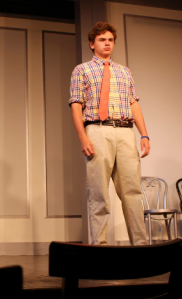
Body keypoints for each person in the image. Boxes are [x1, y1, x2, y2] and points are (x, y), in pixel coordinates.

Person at [69, 22, 150, 246]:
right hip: (97, 129)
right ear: (92, 43)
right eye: (102, 39)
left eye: (110, 40)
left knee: (132, 191)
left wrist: (144, 134)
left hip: (125, 131)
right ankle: (99, 248)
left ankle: (141, 247)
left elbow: (133, 104)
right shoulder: (82, 69)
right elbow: (76, 105)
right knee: (99, 193)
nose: (107, 43)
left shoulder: (124, 71)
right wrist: (83, 137)